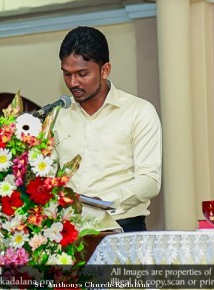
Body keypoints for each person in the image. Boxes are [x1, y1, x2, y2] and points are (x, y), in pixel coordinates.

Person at [53, 26, 162, 232]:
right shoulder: (57, 116)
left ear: (105, 70)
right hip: (68, 231)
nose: (73, 82)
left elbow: (150, 181)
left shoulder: (138, 111)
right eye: (67, 74)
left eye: (82, 74)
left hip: (123, 227)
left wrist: (104, 202)